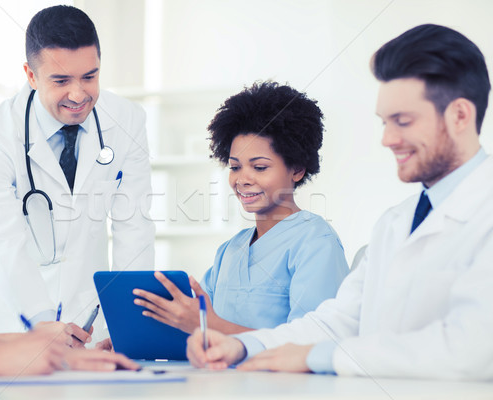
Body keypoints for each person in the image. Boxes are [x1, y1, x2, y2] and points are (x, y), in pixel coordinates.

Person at [187, 24, 493, 381]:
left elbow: (469, 349)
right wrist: (243, 346)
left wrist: (317, 357)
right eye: (384, 122)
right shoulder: (396, 222)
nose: (387, 139)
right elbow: (339, 320)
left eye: (403, 122)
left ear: (459, 115)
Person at [0, 5, 155, 337]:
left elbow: (133, 228)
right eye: (61, 80)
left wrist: (128, 325)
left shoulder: (127, 120)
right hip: (7, 322)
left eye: (89, 77)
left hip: (86, 320)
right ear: (31, 75)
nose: (79, 94)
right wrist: (43, 322)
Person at [133, 82, 349, 335]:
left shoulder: (315, 242)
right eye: (235, 167)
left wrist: (211, 328)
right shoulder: (230, 251)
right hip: (221, 375)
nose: (242, 179)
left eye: (259, 167)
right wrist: (132, 339)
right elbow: (193, 327)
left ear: (297, 169)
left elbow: (312, 342)